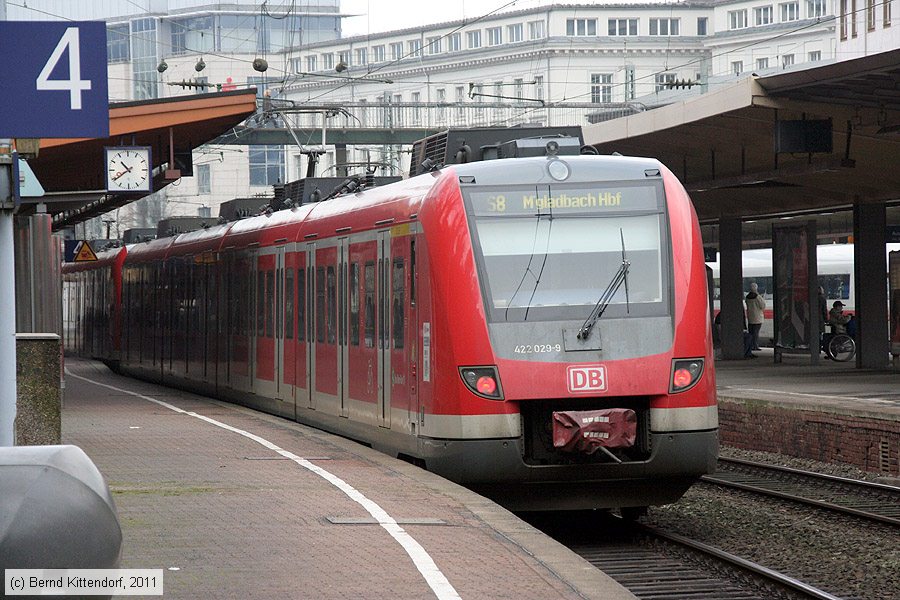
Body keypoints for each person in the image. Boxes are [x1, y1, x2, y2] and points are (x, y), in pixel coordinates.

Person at [745, 282, 765, 351]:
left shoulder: (747, 297)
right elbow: (763, 306)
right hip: (758, 318)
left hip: (750, 318)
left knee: (751, 333)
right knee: (756, 333)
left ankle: (750, 346)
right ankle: (755, 346)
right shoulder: (758, 297)